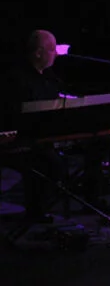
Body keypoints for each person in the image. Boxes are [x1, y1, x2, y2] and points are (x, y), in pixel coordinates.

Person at [1, 30, 65, 222]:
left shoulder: (49, 76)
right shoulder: (16, 79)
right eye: (52, 49)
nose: (56, 54)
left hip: (40, 137)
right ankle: (36, 211)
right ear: (38, 53)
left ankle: (40, 209)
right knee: (49, 162)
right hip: (19, 140)